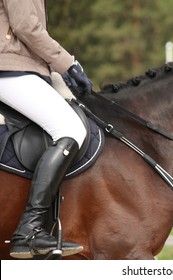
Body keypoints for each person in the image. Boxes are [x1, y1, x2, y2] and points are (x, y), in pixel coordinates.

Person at [0, 0, 92, 259]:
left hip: (22, 67)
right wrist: (68, 64)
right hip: (9, 67)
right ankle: (28, 230)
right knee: (70, 128)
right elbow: (26, 27)